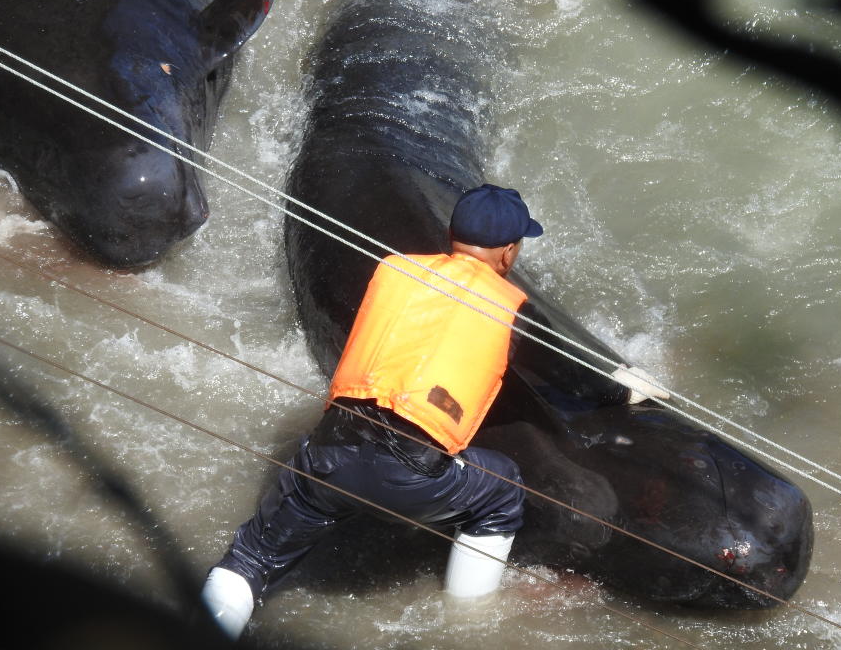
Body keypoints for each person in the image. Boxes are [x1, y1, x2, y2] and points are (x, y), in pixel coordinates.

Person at [200, 183, 668, 640]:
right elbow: (570, 375)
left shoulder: (394, 269)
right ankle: (467, 622)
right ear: (508, 252)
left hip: (327, 454)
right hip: (413, 472)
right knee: (501, 492)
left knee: (249, 562)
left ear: (452, 236)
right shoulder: (512, 308)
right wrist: (621, 391)